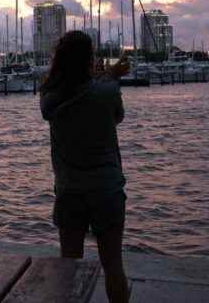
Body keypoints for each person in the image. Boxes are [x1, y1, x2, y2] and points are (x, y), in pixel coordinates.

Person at [40, 30, 131, 303]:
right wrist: (109, 76)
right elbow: (117, 118)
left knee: (69, 264)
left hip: (70, 189)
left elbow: (69, 99)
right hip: (107, 188)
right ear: (89, 59)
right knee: (113, 264)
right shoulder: (106, 89)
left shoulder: (49, 95)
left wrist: (102, 78)